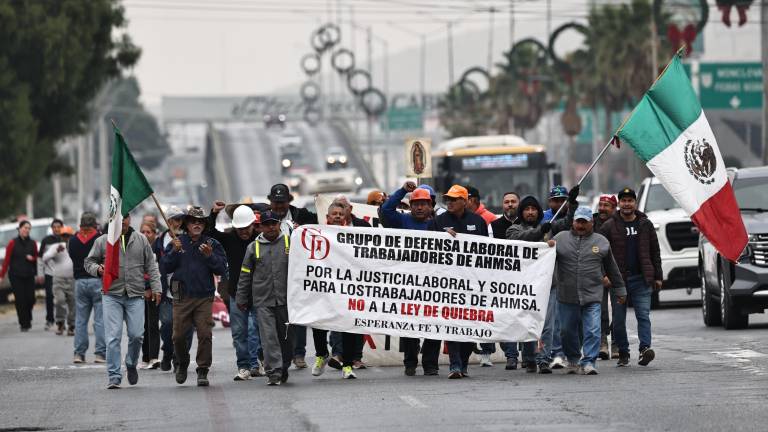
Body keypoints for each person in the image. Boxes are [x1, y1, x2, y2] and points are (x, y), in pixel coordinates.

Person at [506, 186, 579, 374]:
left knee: (547, 324)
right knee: (527, 323)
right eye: (527, 209)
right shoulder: (513, 229)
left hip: (549, 284)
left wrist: (571, 203)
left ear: (539, 211)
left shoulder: (550, 225)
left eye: (534, 209)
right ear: (521, 212)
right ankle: (529, 357)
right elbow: (521, 239)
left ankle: (544, 358)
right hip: (524, 286)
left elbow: (568, 222)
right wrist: (540, 232)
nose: (530, 212)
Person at [85, 214, 162, 389]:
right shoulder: (103, 240)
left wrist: (157, 288)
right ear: (112, 220)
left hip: (135, 294)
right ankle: (114, 376)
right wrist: (98, 269)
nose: (123, 221)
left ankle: (131, 363)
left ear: (130, 219)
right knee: (113, 337)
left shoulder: (141, 239)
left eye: (126, 217)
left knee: (136, 335)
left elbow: (151, 264)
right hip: (111, 294)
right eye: (119, 218)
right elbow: (88, 261)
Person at [551, 207, 626, 375]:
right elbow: (543, 260)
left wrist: (620, 290)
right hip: (566, 296)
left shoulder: (602, 242)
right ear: (573, 222)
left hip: (592, 295)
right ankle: (572, 359)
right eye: (578, 221)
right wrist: (546, 247)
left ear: (592, 223)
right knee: (566, 331)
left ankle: (589, 361)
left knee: (593, 329)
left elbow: (612, 269)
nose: (581, 225)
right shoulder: (559, 239)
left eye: (585, 222)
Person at [162, 206, 228, 387]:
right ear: (187, 224)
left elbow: (221, 269)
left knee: (205, 334)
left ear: (204, 225)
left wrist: (209, 256)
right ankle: (182, 362)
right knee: (178, 336)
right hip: (181, 296)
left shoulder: (212, 244)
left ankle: (202, 370)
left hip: (204, 297)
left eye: (200, 222)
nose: (197, 224)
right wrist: (174, 251)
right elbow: (165, 267)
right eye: (193, 221)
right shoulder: (176, 242)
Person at [428, 185, 488, 379]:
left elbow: (488, 252)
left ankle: (463, 363)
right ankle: (454, 364)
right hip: (448, 283)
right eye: (448, 199)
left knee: (470, 326)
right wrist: (442, 240)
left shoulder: (478, 222)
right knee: (452, 323)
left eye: (454, 199)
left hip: (472, 283)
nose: (450, 202)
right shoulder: (438, 222)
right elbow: (428, 248)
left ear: (465, 201)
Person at [382, 182, 441, 376]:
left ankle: (430, 364)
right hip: (408, 283)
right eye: (416, 203)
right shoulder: (402, 221)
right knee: (410, 325)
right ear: (410, 205)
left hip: (433, 284)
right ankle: (410, 362)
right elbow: (386, 210)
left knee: (433, 325)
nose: (420, 207)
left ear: (431, 205)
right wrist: (402, 191)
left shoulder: (439, 225)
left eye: (424, 203)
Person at [600, 188, 662, 367]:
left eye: (630, 200)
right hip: (618, 282)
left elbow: (655, 251)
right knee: (618, 321)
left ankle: (645, 349)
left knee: (643, 315)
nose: (627, 204)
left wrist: (657, 276)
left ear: (635, 203)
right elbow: (599, 254)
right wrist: (604, 275)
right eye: (623, 200)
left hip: (641, 279)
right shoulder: (609, 226)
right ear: (618, 204)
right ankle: (623, 352)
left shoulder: (645, 224)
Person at [308, 203, 366, 380]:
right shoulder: (318, 235)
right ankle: (321, 354)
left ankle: (347, 365)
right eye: (334, 214)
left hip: (346, 289)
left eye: (341, 214)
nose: (338, 216)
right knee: (319, 323)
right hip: (325, 289)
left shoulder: (354, 236)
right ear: (328, 217)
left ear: (346, 216)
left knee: (347, 326)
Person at [209, 202, 265, 381]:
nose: (243, 232)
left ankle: (257, 362)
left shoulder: (261, 239)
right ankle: (244, 366)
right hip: (235, 292)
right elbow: (209, 233)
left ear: (252, 225)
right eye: (239, 228)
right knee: (239, 332)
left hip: (258, 292)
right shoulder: (228, 239)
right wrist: (214, 213)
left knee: (256, 329)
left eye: (246, 228)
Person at [236, 210, 293, 386]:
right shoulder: (253, 247)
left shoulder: (289, 242)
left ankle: (284, 365)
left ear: (279, 224)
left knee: (286, 338)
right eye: (266, 224)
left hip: (286, 300)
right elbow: (245, 274)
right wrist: (241, 297)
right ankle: (273, 371)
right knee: (268, 338)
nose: (270, 227)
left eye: (273, 224)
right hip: (263, 301)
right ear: (260, 226)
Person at [267, 183, 317, 368]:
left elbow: (322, 225)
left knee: (299, 314)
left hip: (297, 274)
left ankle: (299, 354)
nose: (279, 206)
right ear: (270, 202)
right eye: (275, 202)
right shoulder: (265, 218)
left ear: (289, 201)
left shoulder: (301, 215)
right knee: (276, 316)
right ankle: (276, 354)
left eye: (282, 202)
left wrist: (303, 229)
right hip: (274, 274)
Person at [67, 213, 105, 363]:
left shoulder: (73, 240)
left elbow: (72, 257)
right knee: (100, 320)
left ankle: (79, 353)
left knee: (81, 320)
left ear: (80, 225)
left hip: (80, 282)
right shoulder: (100, 239)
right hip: (97, 280)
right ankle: (100, 354)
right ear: (95, 225)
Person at [155, 206, 186, 371]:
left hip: (184, 287)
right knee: (167, 324)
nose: (178, 223)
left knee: (182, 327)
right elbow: (155, 265)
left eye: (181, 219)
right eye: (175, 219)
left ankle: (178, 358)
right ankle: (167, 351)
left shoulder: (188, 238)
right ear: (168, 221)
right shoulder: (160, 241)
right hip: (165, 287)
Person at [1, 220, 40, 331]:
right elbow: (6, 261)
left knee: (31, 299)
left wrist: (32, 259)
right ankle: (24, 323)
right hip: (15, 275)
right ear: (19, 229)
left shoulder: (33, 243)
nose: (27, 230)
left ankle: (28, 317)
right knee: (20, 300)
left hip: (29, 275)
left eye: (29, 228)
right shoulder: (12, 243)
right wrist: (1, 276)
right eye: (25, 228)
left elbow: (37, 259)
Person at [593, 194, 618, 359]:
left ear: (614, 208)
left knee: (618, 312)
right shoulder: (590, 223)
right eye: (600, 205)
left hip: (617, 274)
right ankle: (602, 344)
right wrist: (602, 274)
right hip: (596, 275)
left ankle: (616, 344)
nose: (602, 208)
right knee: (600, 312)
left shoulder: (619, 223)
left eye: (606, 205)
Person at [42, 225, 76, 336]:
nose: (66, 238)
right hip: (59, 279)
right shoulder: (56, 246)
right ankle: (60, 323)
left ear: (72, 236)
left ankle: (71, 325)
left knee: (73, 303)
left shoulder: (76, 246)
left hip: (72, 279)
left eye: (68, 236)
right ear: (60, 237)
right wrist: (55, 251)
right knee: (60, 301)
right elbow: (45, 258)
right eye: (64, 236)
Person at [138, 221, 161, 369]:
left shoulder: (157, 248)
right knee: (142, 326)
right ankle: (145, 357)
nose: (146, 235)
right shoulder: (138, 248)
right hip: (139, 291)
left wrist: (152, 288)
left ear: (154, 234)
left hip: (154, 291)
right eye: (143, 232)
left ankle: (154, 357)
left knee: (153, 324)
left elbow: (156, 271)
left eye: (149, 232)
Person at [38, 218, 64, 330]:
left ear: (62, 228)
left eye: (59, 227)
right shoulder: (46, 240)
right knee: (49, 296)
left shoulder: (67, 239)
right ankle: (49, 320)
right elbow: (40, 258)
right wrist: (40, 273)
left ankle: (63, 320)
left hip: (63, 273)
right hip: (49, 273)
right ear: (52, 228)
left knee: (63, 298)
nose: (57, 229)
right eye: (54, 227)